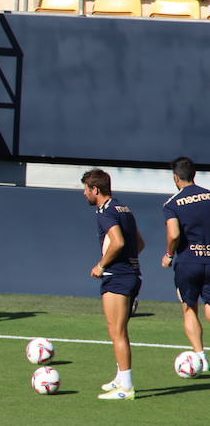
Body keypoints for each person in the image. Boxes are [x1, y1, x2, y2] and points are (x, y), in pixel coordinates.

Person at [82, 168, 144, 400]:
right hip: (129, 274)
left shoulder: (105, 212)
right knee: (116, 330)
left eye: (86, 189)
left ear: (95, 190)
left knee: (117, 332)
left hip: (118, 277)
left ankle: (126, 388)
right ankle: (120, 378)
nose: (84, 194)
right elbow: (139, 243)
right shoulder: (123, 208)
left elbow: (117, 242)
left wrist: (101, 265)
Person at [161, 156, 210, 374]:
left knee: (190, 308)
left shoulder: (172, 203)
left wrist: (169, 254)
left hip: (189, 262)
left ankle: (201, 357)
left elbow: (173, 234)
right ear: (194, 174)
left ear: (175, 177)